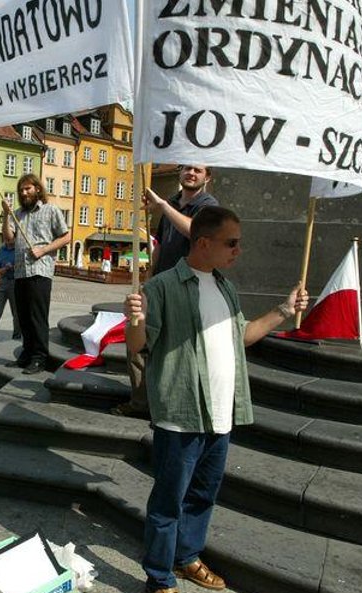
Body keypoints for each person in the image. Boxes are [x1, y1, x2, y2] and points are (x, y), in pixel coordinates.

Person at [123, 206, 307, 593]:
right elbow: (140, 347)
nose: (239, 250)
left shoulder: (226, 287)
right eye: (232, 243)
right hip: (181, 414)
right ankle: (159, 578)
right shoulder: (162, 287)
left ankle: (187, 557)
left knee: (203, 495)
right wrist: (134, 319)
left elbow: (241, 336)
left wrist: (283, 311)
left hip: (221, 413)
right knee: (168, 502)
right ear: (203, 243)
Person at [114, 165, 219, 420]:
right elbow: (160, 242)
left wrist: (163, 206)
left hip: (187, 285)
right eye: (186, 169)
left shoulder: (209, 205)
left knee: (174, 349)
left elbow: (195, 231)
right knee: (138, 340)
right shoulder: (171, 203)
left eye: (198, 170)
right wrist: (149, 278)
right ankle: (141, 401)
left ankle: (169, 405)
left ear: (207, 177)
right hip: (160, 283)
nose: (191, 173)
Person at [1, 173, 70, 374]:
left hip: (40, 271)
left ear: (37, 189)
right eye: (21, 190)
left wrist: (43, 250)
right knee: (23, 316)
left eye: (28, 189)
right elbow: (8, 239)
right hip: (21, 272)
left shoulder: (50, 210)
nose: (24, 193)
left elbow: (66, 237)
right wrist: (6, 214)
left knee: (37, 316)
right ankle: (27, 353)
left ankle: (40, 358)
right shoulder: (18, 214)